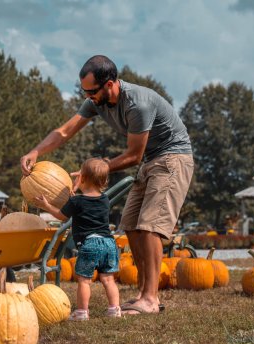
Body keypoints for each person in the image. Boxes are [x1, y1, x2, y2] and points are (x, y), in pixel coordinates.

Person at [21, 55, 194, 314]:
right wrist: (36, 151)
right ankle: (142, 294)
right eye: (84, 91)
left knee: (149, 226)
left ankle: (151, 298)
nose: (87, 96)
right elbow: (65, 131)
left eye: (91, 91)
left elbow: (133, 155)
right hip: (150, 161)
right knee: (131, 226)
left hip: (173, 159)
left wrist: (94, 172)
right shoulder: (96, 102)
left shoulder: (137, 104)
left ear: (110, 84)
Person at [34, 158, 120, 320]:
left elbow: (61, 215)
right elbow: (85, 199)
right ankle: (114, 309)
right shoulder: (104, 200)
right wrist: (79, 184)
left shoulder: (76, 201)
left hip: (90, 244)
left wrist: (46, 206)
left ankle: (81, 312)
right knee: (108, 279)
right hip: (109, 243)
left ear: (83, 178)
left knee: (84, 281)